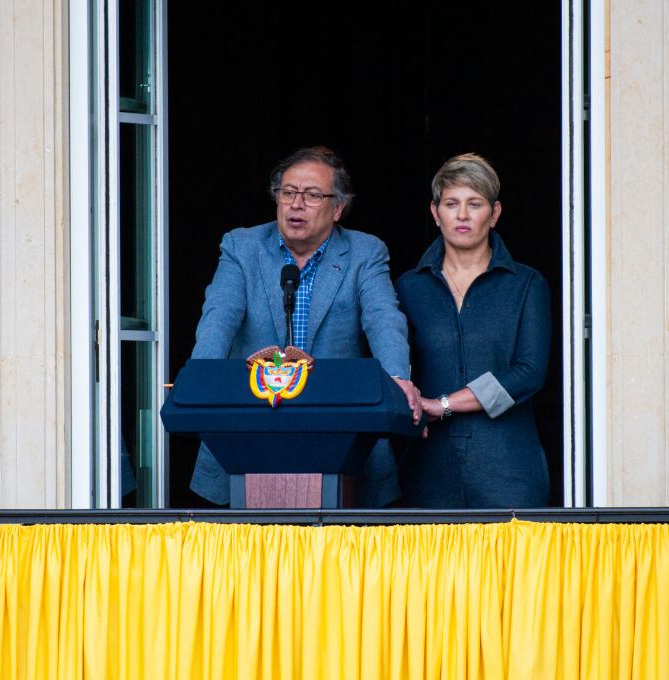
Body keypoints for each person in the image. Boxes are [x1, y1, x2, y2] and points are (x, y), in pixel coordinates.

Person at [188, 146, 422, 506]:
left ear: (338, 208)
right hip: (246, 438)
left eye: (312, 195)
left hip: (342, 444)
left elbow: (384, 320)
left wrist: (395, 379)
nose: (296, 204)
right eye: (288, 192)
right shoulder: (242, 246)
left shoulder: (364, 253)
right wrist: (202, 379)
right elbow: (219, 316)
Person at [395, 153, 551, 508]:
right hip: (428, 468)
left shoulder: (526, 284)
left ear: (494, 214)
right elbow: (394, 370)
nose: (462, 215)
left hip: (508, 469)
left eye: (474, 204)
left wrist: (443, 404)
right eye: (451, 204)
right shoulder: (408, 287)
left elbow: (528, 373)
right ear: (435, 213)